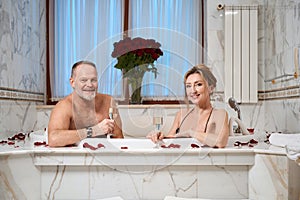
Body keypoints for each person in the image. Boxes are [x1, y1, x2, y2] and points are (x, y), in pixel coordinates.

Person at [147, 64, 229, 148]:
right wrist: (159, 136)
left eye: (198, 84)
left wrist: (190, 132)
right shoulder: (181, 114)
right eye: (188, 86)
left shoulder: (219, 114)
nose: (192, 90)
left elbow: (221, 142)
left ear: (211, 88)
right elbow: (169, 141)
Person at [48, 60, 123, 147]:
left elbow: (119, 138)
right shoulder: (65, 106)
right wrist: (95, 130)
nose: (90, 85)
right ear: (72, 82)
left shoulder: (108, 102)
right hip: (74, 158)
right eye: (83, 80)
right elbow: (53, 139)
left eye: (93, 80)